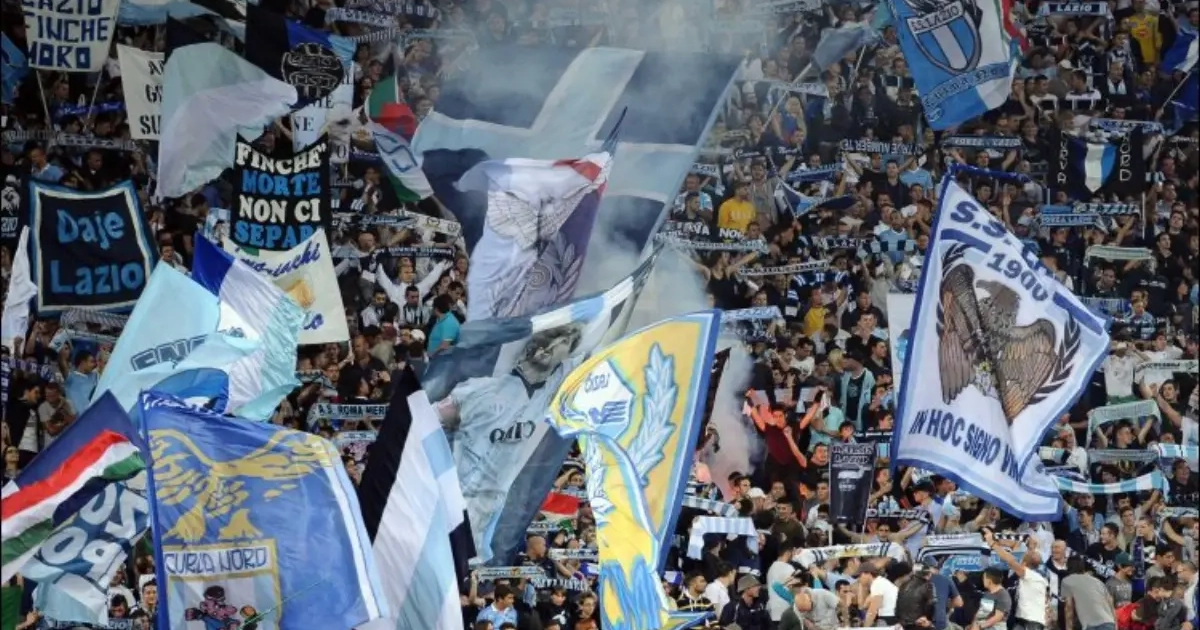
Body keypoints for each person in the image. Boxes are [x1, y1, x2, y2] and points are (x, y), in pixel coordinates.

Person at [1062, 555, 1118, 630]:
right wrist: (1116, 625)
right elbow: (1110, 602)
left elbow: (1069, 607)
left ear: (1068, 566)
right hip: (1109, 622)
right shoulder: (1097, 581)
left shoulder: (1067, 581)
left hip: (1091, 625)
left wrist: (1068, 628)